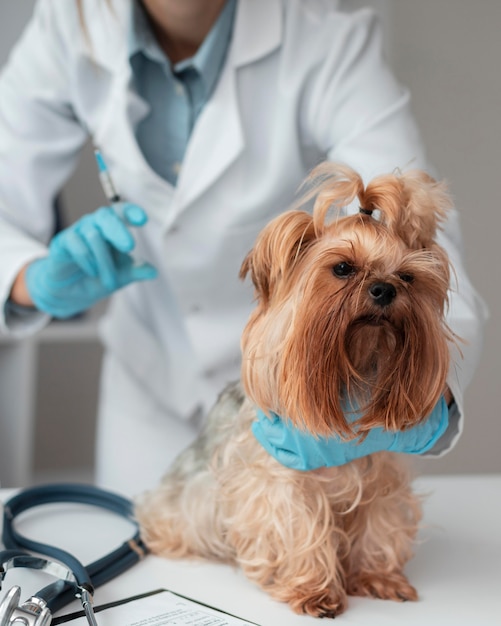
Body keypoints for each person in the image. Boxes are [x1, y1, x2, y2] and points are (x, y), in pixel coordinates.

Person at [0, 0, 486, 496]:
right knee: (139, 561)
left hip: (299, 397)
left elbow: (419, 231)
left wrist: (428, 396)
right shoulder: (68, 23)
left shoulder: (325, 39)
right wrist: (28, 280)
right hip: (151, 387)